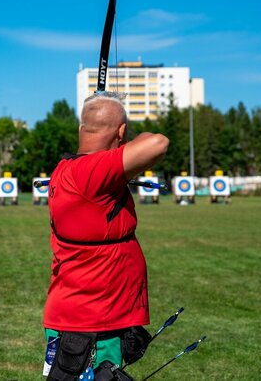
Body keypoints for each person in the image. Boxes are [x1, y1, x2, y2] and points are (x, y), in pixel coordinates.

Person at [43, 92, 169, 379]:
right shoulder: (92, 171)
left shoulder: (68, 168)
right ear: (122, 131)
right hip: (94, 319)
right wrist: (123, 143)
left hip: (84, 312)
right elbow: (158, 142)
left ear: (81, 129)